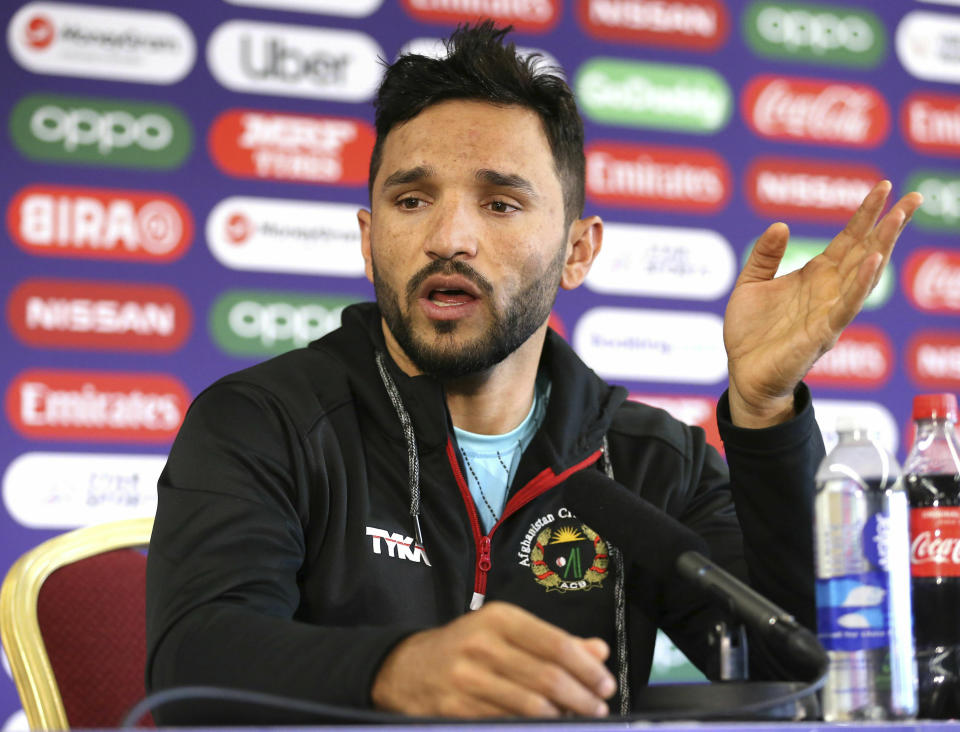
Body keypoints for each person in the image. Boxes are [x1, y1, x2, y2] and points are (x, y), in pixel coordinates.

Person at [145, 22, 922, 722]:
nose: (449, 237)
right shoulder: (263, 421)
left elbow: (808, 671)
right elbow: (193, 664)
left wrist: (765, 409)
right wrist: (398, 670)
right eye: (412, 200)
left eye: (501, 204)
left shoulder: (652, 466)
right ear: (368, 235)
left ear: (578, 250)